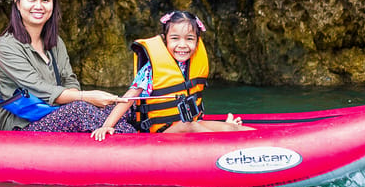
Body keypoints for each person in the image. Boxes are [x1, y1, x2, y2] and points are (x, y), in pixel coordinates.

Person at [0, 0, 132, 132]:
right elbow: (40, 89)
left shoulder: (55, 42)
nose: (38, 6)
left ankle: (124, 141)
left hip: (57, 112)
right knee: (80, 110)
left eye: (45, 0)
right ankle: (131, 146)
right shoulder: (6, 46)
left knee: (118, 110)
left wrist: (81, 99)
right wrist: (85, 97)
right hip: (22, 123)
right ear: (17, 3)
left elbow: (70, 80)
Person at [91, 10, 252, 139]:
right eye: (175, 38)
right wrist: (108, 125)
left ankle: (248, 137)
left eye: (189, 39)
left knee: (230, 127)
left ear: (197, 41)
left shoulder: (191, 63)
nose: (182, 45)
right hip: (162, 132)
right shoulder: (151, 68)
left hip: (191, 123)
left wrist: (227, 128)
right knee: (190, 126)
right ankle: (227, 143)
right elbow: (129, 98)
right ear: (165, 39)